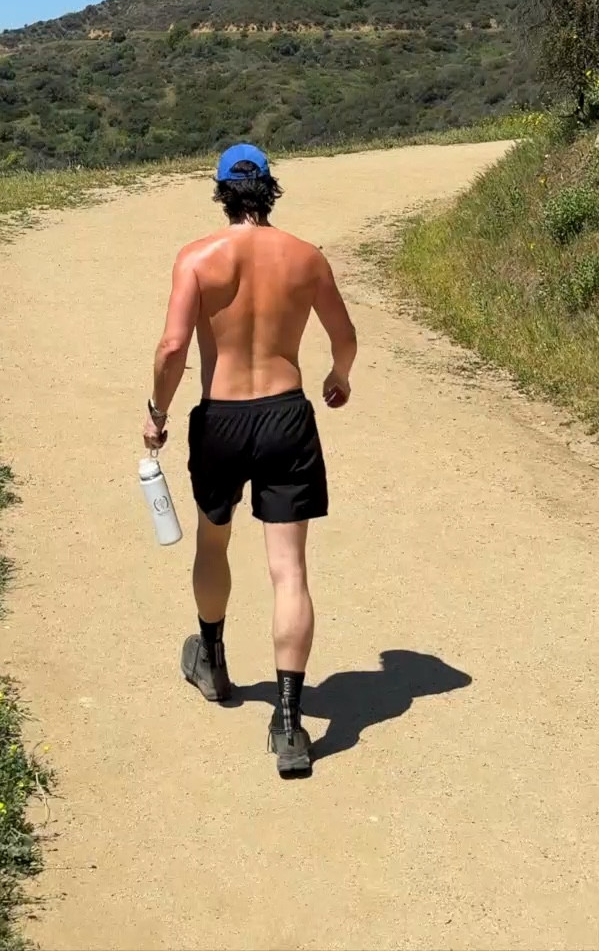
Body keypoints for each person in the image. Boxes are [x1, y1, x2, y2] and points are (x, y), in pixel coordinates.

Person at [143, 143, 358, 778]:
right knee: (288, 569)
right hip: (286, 414)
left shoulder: (197, 259)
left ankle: (211, 661)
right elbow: (343, 337)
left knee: (214, 542)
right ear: (269, 190)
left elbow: (174, 345)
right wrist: (339, 375)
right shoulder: (305, 257)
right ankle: (290, 724)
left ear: (221, 192)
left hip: (222, 417)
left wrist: (156, 413)